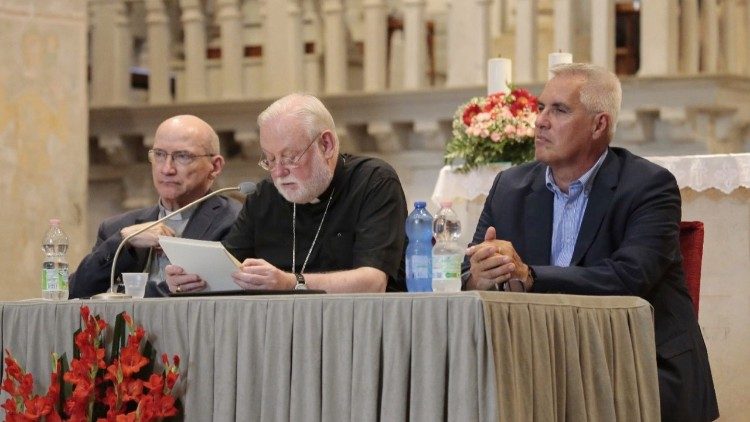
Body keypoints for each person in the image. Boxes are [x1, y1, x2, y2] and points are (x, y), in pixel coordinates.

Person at [464, 63, 718, 421]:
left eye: (560, 110)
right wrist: (480, 275)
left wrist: (531, 274)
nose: (541, 121)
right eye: (540, 108)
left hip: (635, 365)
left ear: (599, 125)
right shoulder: (511, 187)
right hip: (542, 366)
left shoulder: (648, 186)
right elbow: (467, 273)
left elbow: (629, 278)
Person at [165, 93, 407, 294]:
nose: (278, 172)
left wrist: (292, 282)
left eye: (289, 157)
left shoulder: (374, 181)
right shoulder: (265, 195)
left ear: (326, 145)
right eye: (270, 159)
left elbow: (373, 282)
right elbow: (229, 269)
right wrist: (191, 279)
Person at [69, 115, 241, 298]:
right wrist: (124, 241)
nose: (167, 169)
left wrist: (126, 294)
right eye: (159, 155)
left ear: (215, 166)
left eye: (182, 156)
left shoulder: (234, 221)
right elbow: (75, 293)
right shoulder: (117, 228)